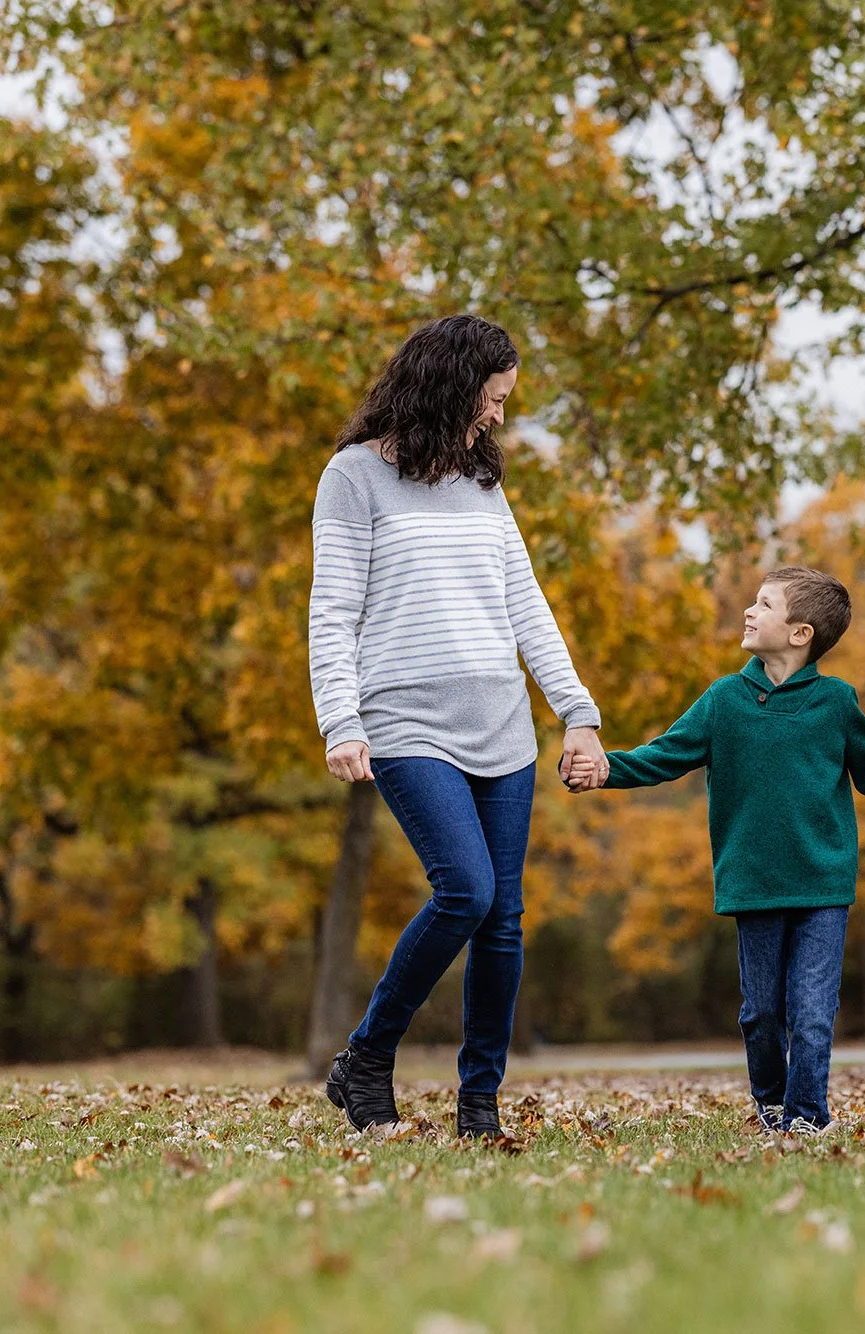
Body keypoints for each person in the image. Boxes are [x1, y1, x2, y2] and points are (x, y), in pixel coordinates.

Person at [307, 314, 608, 1139]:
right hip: (406, 722)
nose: (501, 416)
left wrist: (575, 710)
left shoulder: (482, 481)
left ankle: (481, 1102)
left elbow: (525, 603)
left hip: (503, 726)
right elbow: (332, 611)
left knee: (503, 919)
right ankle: (367, 1058)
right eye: (495, 397)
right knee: (465, 892)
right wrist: (341, 718)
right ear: (450, 385)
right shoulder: (352, 479)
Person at [567, 567, 865, 1134]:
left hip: (822, 884)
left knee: (811, 1015)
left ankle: (808, 1117)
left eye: (764, 604)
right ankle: (773, 1106)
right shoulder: (724, 701)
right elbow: (665, 755)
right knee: (761, 1015)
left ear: (800, 633)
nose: (749, 611)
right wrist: (604, 769)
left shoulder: (836, 702)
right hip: (753, 881)